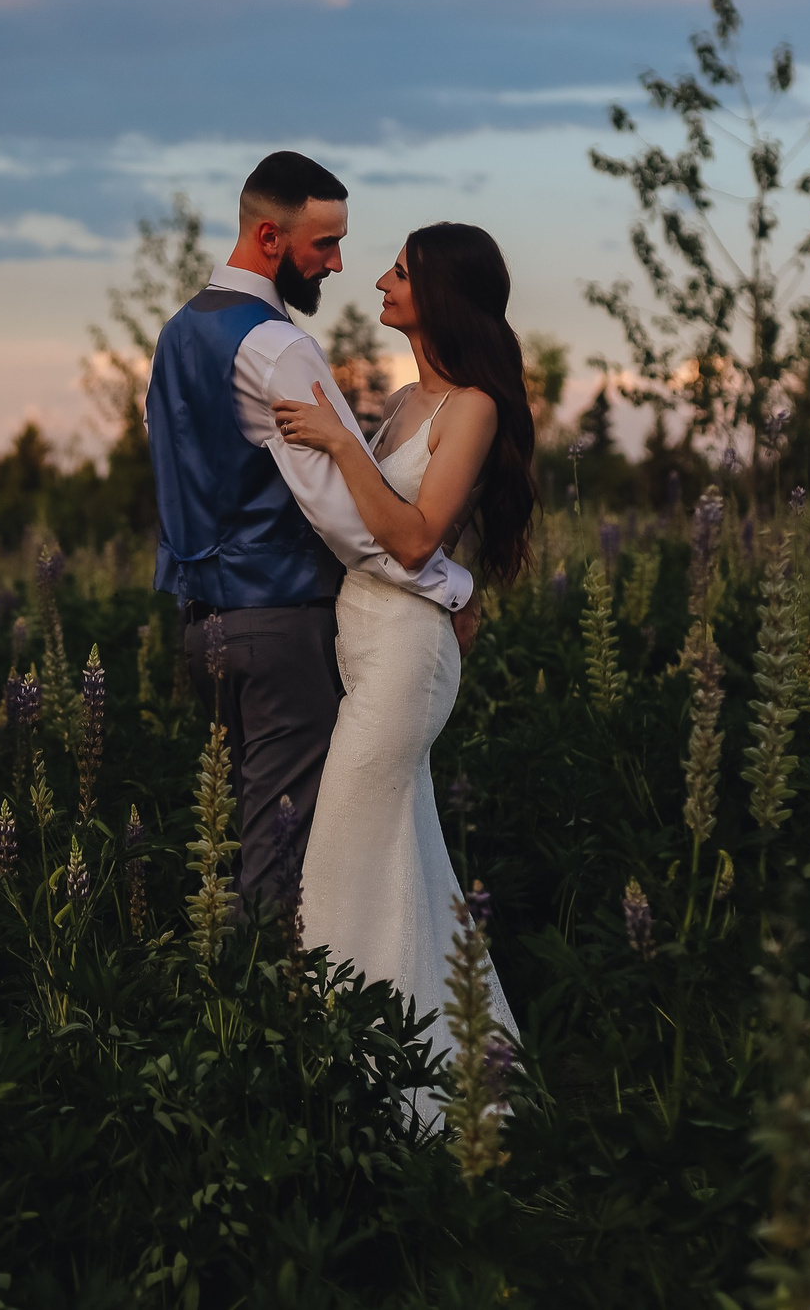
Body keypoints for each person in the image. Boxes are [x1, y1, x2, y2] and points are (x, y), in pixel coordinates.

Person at [146, 153, 475, 913]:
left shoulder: (176, 335)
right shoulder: (278, 347)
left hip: (202, 630)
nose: (335, 263)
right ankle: (270, 1025)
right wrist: (449, 585)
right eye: (322, 244)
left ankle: (236, 1014)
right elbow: (346, 520)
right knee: (284, 861)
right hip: (281, 625)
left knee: (238, 836)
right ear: (269, 236)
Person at [272, 221, 532, 1067]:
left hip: (407, 662)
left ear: (440, 294)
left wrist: (344, 442)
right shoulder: (408, 401)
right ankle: (457, 1073)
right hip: (370, 647)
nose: (380, 281)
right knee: (402, 863)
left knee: (342, 853)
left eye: (400, 272)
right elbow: (376, 534)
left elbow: (416, 539)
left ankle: (363, 1071)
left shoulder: (475, 409)